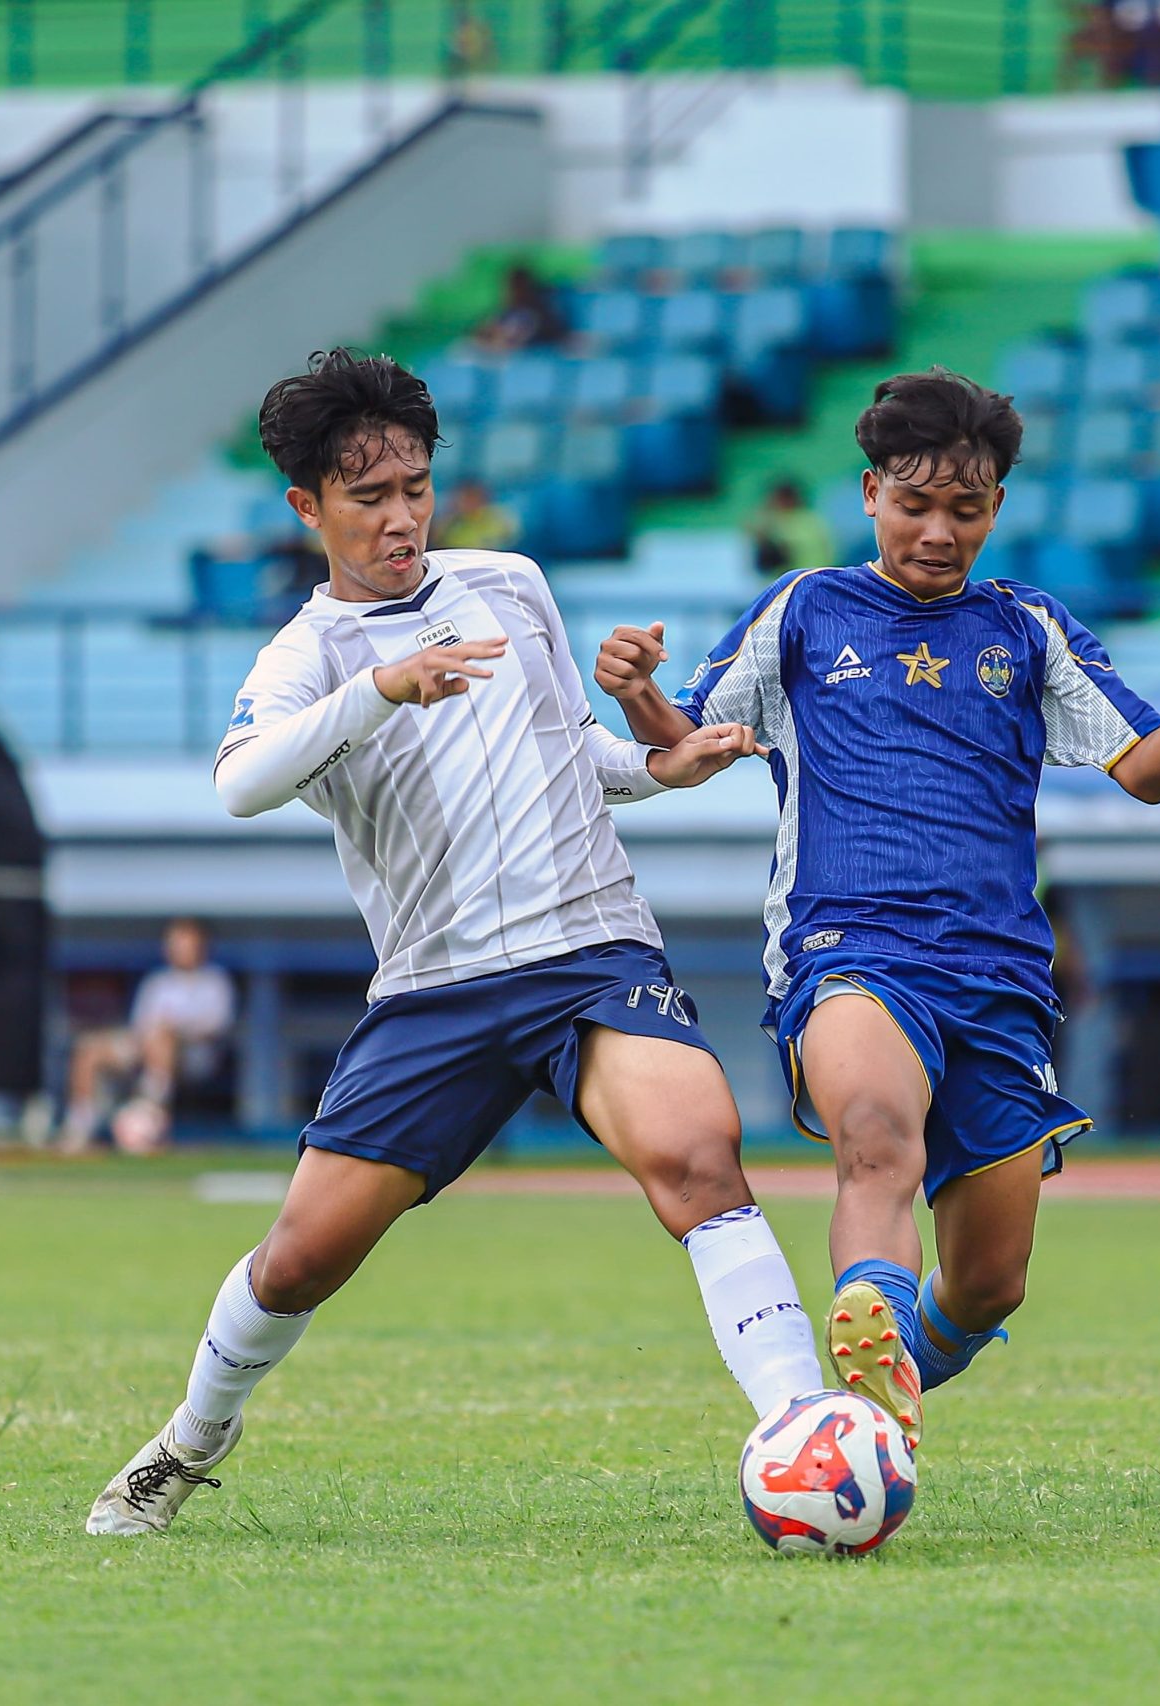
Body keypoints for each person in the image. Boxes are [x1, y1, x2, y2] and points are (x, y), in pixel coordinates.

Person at [84, 349, 824, 1535]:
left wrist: (659, 763)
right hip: (436, 988)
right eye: (367, 496)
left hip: (589, 948)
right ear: (307, 507)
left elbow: (566, 746)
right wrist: (383, 686)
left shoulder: (511, 584)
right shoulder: (305, 661)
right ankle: (190, 1436)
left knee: (698, 1154)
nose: (400, 517)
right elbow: (238, 785)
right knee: (295, 1262)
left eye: (415, 487)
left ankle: (801, 1428)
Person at [594, 368, 1160, 1448]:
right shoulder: (805, 610)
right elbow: (683, 745)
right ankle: (863, 1329)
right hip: (851, 951)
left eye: (964, 510)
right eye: (915, 504)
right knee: (877, 1139)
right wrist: (639, 688)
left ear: (996, 510)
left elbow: (1146, 770)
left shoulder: (1029, 631)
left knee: (988, 1284)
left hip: (1001, 978)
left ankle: (868, 1405)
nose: (937, 530)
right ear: (869, 492)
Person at [61, 918, 236, 1153]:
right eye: (176, 943)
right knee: (89, 1049)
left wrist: (174, 1029)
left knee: (164, 1037)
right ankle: (79, 1128)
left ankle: (149, 1117)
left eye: (187, 943)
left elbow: (215, 1027)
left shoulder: (215, 982)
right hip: (147, 1048)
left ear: (201, 947)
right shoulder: (157, 983)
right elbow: (140, 1026)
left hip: (194, 1057)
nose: (181, 949)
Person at [746, 476, 834, 579]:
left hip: (804, 580)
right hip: (807, 579)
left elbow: (783, 552)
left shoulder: (802, 521)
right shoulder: (813, 519)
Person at [472, 263, 568, 355]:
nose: (511, 291)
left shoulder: (534, 315)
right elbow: (480, 333)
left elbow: (513, 341)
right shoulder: (507, 312)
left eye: (517, 287)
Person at [435, 477, 522, 554]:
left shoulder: (500, 516)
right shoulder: (451, 522)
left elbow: (513, 542)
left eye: (473, 497)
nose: (469, 502)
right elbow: (439, 545)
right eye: (465, 498)